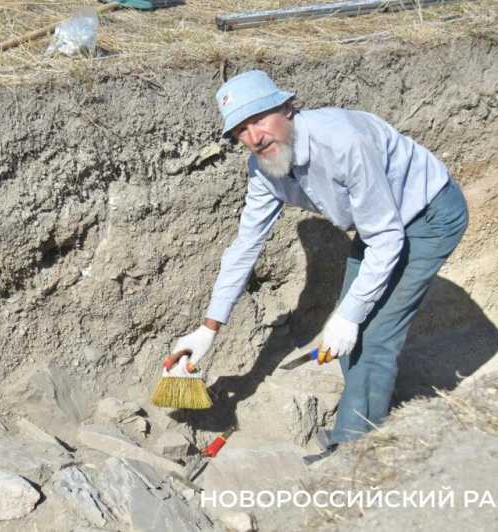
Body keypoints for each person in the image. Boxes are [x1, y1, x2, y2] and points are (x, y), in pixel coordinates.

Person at [166, 70, 468, 461]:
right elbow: (245, 247)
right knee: (349, 330)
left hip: (428, 216)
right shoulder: (264, 170)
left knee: (371, 335)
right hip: (380, 225)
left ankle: (355, 454)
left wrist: (350, 316)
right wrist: (209, 327)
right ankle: (362, 423)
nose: (254, 137)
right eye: (241, 130)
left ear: (288, 109)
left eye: (259, 119)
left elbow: (389, 238)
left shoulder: (343, 143)